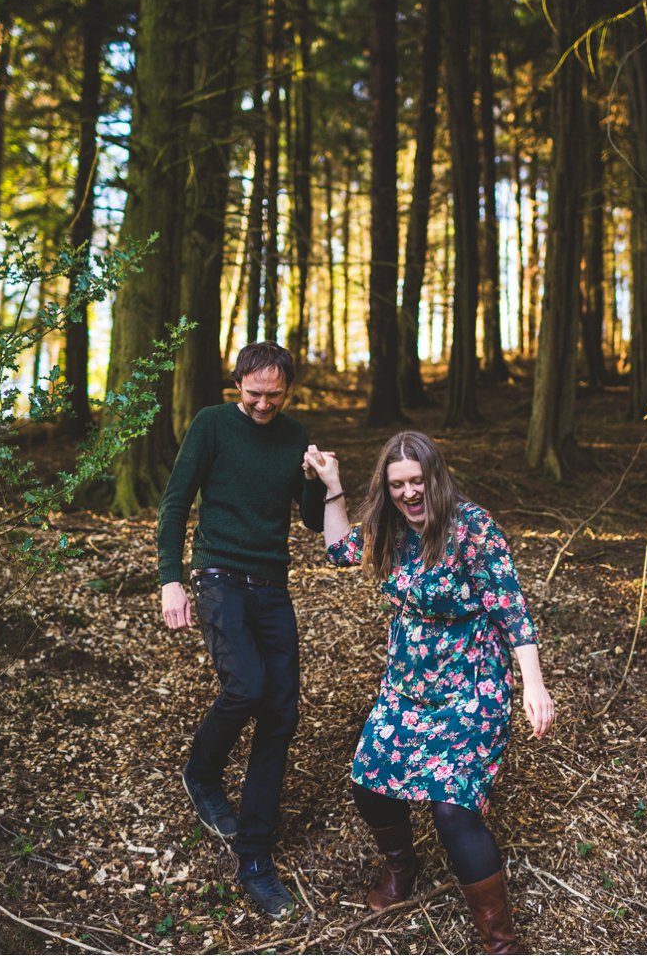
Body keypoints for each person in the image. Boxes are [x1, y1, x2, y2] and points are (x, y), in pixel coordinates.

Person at [305, 430, 555, 954]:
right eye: (398, 484)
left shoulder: (471, 528)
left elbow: (511, 607)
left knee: (451, 808)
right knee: (369, 783)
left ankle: (500, 939)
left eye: (417, 481)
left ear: (434, 478)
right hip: (407, 687)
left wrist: (532, 683)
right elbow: (337, 550)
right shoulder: (389, 527)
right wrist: (332, 486)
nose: (409, 493)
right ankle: (402, 867)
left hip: (472, 685)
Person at [157, 341, 326, 920]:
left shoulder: (295, 435)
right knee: (246, 687)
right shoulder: (210, 426)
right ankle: (202, 773)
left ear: (288, 390)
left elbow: (306, 519)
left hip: (271, 583)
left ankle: (254, 857)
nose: (262, 404)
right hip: (219, 575)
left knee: (281, 711)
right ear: (237, 386)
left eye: (273, 395)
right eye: (253, 394)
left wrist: (317, 479)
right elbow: (176, 503)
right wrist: (170, 580)